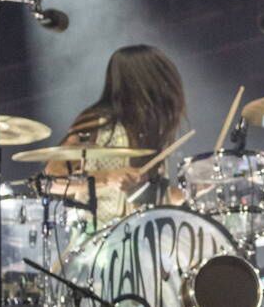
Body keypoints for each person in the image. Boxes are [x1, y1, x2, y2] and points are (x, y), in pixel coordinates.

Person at [44, 44, 187, 224]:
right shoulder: (96, 122)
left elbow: (149, 201)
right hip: (100, 241)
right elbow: (52, 179)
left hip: (141, 239)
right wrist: (107, 177)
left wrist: (188, 192)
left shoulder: (151, 131)